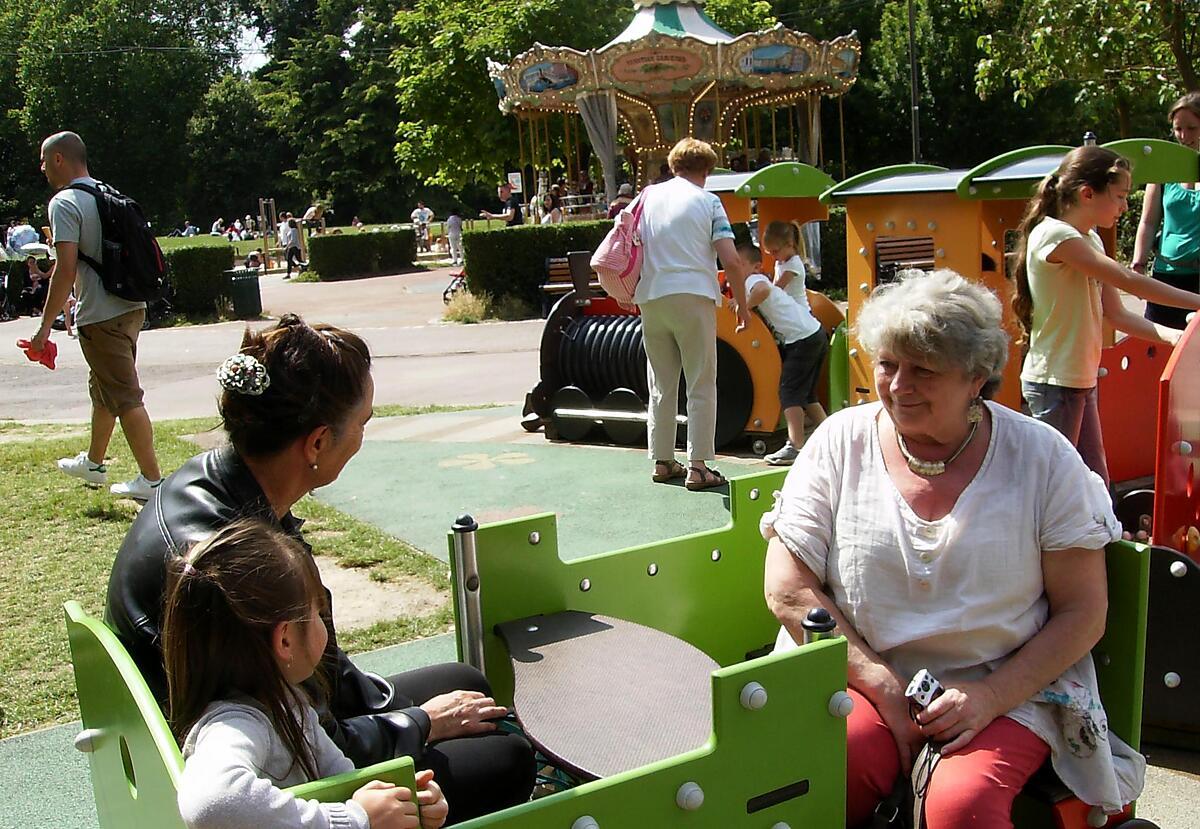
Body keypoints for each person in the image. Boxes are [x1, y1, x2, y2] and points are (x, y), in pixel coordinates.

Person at [106, 315, 536, 823]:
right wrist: (418, 724)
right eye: (362, 424)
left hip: (264, 712)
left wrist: (402, 714)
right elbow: (305, 736)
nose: (362, 437)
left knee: (466, 682)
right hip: (258, 759)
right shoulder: (234, 562)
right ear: (315, 444)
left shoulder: (218, 484)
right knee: (505, 759)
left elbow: (311, 675)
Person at [763, 269, 1145, 829]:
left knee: (962, 807)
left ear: (976, 379)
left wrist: (990, 696)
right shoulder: (839, 440)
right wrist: (881, 685)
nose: (897, 385)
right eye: (889, 364)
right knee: (825, 770)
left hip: (1007, 685)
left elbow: (1083, 612)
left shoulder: (1042, 459)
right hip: (856, 673)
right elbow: (788, 587)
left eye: (923, 370)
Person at [167, 520, 450, 829]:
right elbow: (209, 802)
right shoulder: (237, 724)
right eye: (317, 611)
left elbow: (341, 780)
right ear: (286, 639)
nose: (323, 622)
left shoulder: (286, 701)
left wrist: (404, 800)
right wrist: (354, 819)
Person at [1014, 144, 1200, 484]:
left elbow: (1116, 314)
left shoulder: (1090, 240)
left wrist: (1177, 337)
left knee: (1094, 484)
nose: (1125, 207)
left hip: (1080, 381)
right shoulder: (1055, 236)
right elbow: (1129, 280)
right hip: (1054, 383)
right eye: (1119, 196)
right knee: (1055, 487)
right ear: (1088, 193)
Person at [34, 131, 163, 501]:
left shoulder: (64, 203)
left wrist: (45, 327)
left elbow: (65, 268)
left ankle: (152, 482)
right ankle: (93, 462)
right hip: (131, 308)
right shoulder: (108, 194)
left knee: (125, 397)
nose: (42, 169)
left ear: (60, 158)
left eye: (44, 161)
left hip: (99, 315)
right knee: (105, 390)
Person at [636, 137, 749, 491]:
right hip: (694, 295)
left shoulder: (648, 198)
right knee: (700, 381)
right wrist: (742, 304)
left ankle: (662, 458)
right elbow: (730, 259)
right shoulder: (709, 202)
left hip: (652, 296)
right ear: (708, 170)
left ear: (673, 166)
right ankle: (698, 466)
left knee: (661, 383)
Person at [736, 243, 827, 466]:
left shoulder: (752, 280)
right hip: (814, 333)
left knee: (789, 392)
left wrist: (743, 306)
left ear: (756, 266)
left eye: (739, 264)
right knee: (806, 395)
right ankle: (831, 435)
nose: (734, 269)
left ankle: (795, 446)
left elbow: (762, 291)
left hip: (802, 339)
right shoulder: (754, 280)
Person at [1132, 90, 1200, 330]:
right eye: (1179, 129)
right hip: (1166, 276)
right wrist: (1138, 265)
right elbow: (1148, 222)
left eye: (1191, 128)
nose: (1184, 136)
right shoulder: (1163, 170)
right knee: (1157, 345)